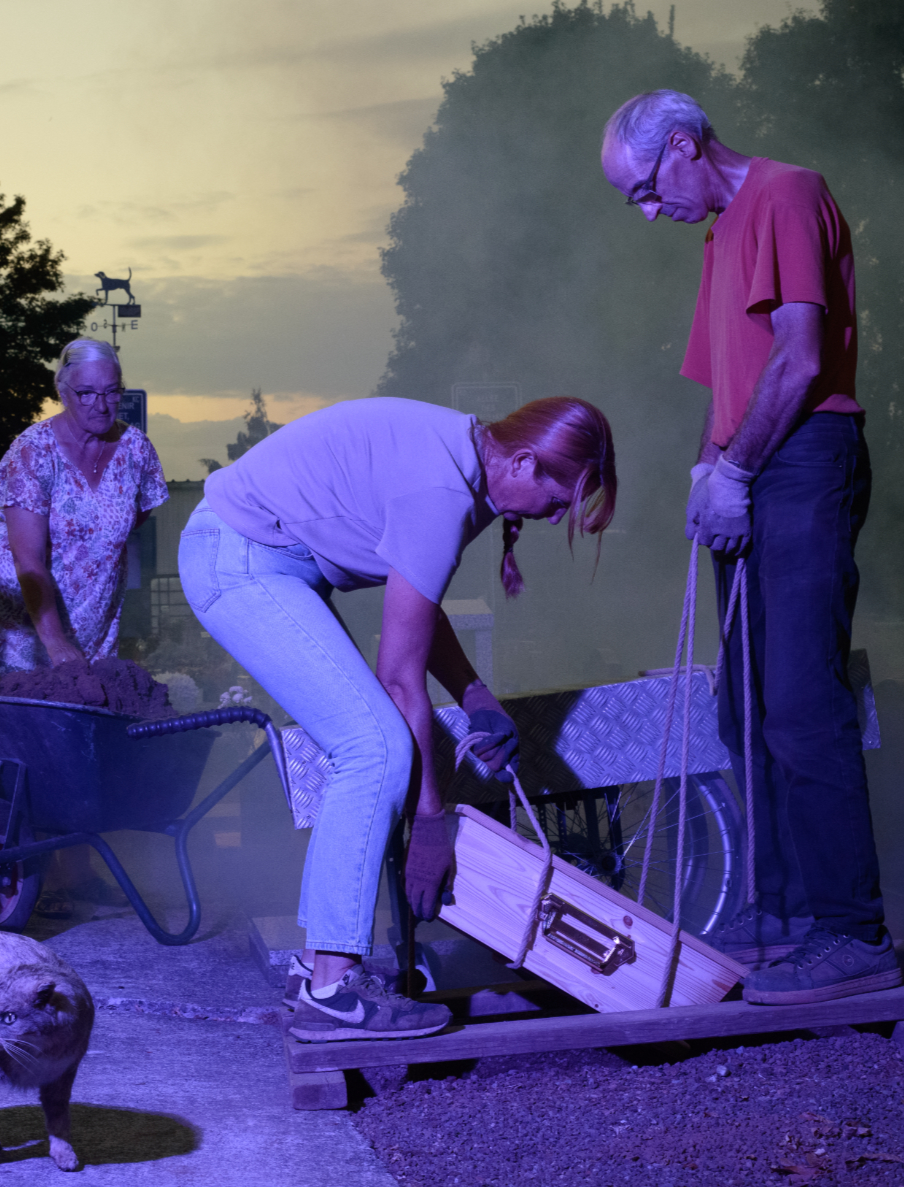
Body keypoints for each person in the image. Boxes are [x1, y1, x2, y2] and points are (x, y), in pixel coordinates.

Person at [185, 396, 616, 1041]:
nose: (554, 518)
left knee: (372, 743)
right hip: (241, 559)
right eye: (557, 501)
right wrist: (430, 825)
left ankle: (317, 970)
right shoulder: (444, 491)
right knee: (375, 745)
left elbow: (417, 608)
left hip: (261, 556)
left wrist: (475, 697)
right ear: (525, 462)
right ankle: (333, 988)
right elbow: (398, 677)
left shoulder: (463, 462)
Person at [601, 90, 896, 1005]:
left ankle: (853, 931)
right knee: (746, 705)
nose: (648, 212)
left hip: (804, 457)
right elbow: (725, 381)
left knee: (803, 700)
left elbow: (800, 358)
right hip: (752, 457)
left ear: (682, 146)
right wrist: (707, 471)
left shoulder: (787, 193)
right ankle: (782, 911)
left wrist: (735, 470)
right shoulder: (720, 234)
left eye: (645, 190)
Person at [0, 337, 168, 916]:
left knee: (75, 750)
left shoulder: (136, 450)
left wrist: (88, 585)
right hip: (11, 622)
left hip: (88, 619)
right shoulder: (33, 451)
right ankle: (9, 874)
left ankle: (77, 878)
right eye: (86, 393)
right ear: (63, 391)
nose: (100, 404)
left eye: (111, 392)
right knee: (18, 756)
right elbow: (30, 562)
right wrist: (56, 642)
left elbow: (133, 519)